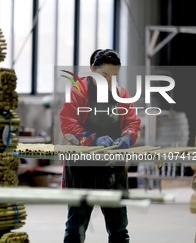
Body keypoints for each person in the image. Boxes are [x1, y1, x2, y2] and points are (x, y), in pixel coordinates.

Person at [59, 49, 141, 243]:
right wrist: (91, 139)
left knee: (119, 229)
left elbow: (132, 122)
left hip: (112, 166)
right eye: (104, 75)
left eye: (113, 76)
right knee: (75, 229)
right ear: (93, 69)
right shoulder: (78, 91)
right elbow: (68, 124)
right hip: (81, 168)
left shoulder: (121, 93)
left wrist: (127, 137)